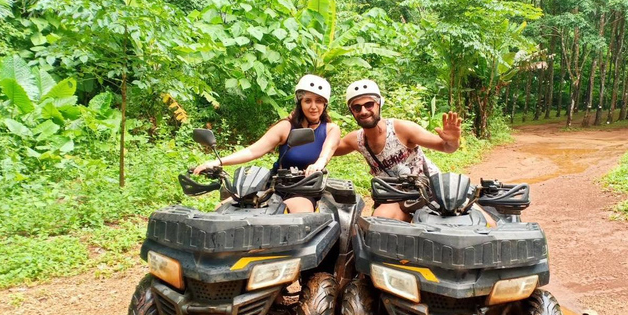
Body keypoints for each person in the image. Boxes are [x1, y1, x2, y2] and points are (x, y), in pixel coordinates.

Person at [193, 74, 340, 213]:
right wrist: (217, 162)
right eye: (308, 100)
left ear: (325, 104)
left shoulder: (330, 129)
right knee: (222, 209)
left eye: (319, 101)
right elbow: (253, 151)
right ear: (300, 102)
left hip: (305, 189)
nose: (313, 106)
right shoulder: (286, 126)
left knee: (300, 215)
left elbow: (327, 152)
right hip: (273, 186)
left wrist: (318, 165)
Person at [334, 79, 461, 221]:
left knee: (484, 221)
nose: (363, 111)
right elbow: (328, 149)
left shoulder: (401, 129)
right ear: (352, 111)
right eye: (357, 108)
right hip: (394, 199)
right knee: (380, 220)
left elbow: (446, 147)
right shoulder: (356, 140)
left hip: (430, 194)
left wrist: (452, 140)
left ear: (379, 104)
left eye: (369, 104)